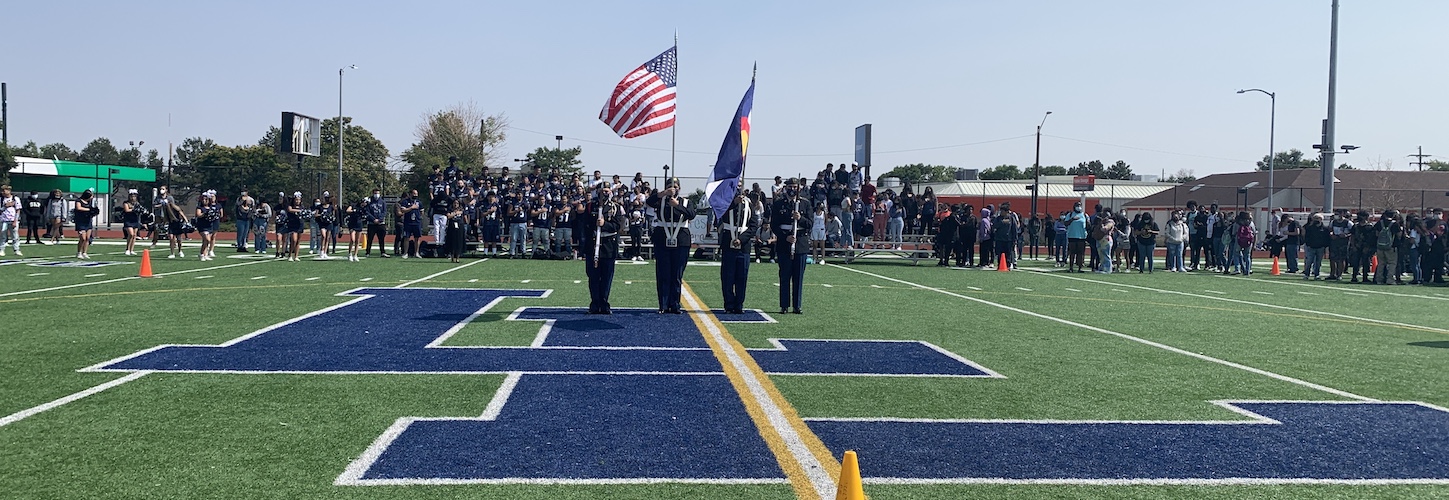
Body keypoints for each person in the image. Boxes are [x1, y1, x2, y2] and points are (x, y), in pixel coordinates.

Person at [648, 179, 695, 314]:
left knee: (676, 274)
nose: (673, 189)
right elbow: (649, 202)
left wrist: (677, 205)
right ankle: (663, 304)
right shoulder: (660, 200)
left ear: (679, 188)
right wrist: (662, 194)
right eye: (670, 186)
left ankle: (675, 304)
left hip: (681, 240)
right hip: (663, 239)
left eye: (675, 186)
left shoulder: (686, 202)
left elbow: (691, 214)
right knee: (663, 273)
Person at [584, 185, 626, 314]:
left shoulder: (616, 207)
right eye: (602, 191)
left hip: (608, 245)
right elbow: (585, 223)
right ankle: (594, 303)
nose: (605, 193)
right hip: (593, 245)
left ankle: (604, 303)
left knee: (607, 276)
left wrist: (604, 224)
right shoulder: (591, 206)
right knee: (593, 276)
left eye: (607, 191)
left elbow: (618, 225)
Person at [772, 178, 812, 314]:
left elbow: (810, 224)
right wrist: (785, 237)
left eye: (795, 187)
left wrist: (800, 218)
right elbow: (774, 225)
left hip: (800, 243)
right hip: (785, 243)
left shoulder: (805, 204)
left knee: (798, 276)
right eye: (790, 186)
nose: (792, 189)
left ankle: (797, 305)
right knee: (784, 275)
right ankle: (784, 305)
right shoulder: (778, 204)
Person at [718, 190, 758, 314]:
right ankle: (729, 304)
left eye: (740, 186)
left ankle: (739, 304)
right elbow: (719, 216)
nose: (739, 189)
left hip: (743, 245)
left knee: (742, 276)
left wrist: (741, 239)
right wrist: (734, 203)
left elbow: (753, 226)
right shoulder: (724, 202)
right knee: (727, 276)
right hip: (728, 242)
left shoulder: (748, 204)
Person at [1373, 210, 1404, 285]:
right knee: (1392, 263)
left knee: (1381, 263)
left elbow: (1376, 234)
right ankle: (1390, 279)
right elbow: (1399, 235)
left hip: (1380, 246)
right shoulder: (1394, 224)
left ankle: (1379, 279)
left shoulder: (1379, 223)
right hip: (1391, 246)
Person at [195, 190, 223, 261]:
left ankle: (205, 254)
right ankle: (201, 254)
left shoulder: (211, 207)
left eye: (206, 199)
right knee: (206, 239)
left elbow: (218, 215)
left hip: (209, 225)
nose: (204, 201)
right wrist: (205, 213)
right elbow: (198, 215)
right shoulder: (200, 207)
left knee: (207, 241)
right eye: (203, 199)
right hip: (202, 226)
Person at [1349, 210, 1376, 283]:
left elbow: (1371, 238)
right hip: (1357, 246)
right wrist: (1353, 245)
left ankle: (1365, 277)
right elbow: (1352, 236)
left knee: (1366, 262)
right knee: (1356, 262)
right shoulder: (1356, 226)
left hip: (1366, 247)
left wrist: (1368, 247)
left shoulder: (1370, 227)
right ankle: (1354, 277)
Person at [1302, 213, 1330, 280]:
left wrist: (1325, 246)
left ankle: (1316, 274)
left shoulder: (1325, 229)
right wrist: (1308, 244)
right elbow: (1306, 236)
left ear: (1321, 219)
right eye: (1315, 218)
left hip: (1320, 248)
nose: (1316, 220)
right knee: (1309, 261)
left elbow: (1327, 238)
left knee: (1318, 262)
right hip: (1311, 247)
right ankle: (1306, 274)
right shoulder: (1309, 228)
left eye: (1318, 218)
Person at [364, 189, 390, 258]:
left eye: (378, 193)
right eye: (375, 193)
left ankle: (382, 252)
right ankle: (368, 252)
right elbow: (367, 212)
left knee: (381, 239)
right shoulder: (369, 202)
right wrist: (373, 219)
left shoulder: (383, 202)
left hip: (381, 224)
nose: (376, 195)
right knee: (370, 239)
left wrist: (379, 219)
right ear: (373, 193)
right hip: (371, 224)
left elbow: (384, 212)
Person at [73, 189, 98, 260]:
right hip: (81, 222)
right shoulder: (78, 201)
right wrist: (89, 210)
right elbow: (78, 208)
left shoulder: (90, 202)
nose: (92, 197)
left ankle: (85, 252)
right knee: (82, 238)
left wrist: (94, 211)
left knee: (87, 238)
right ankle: (79, 252)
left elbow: (92, 209)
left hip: (88, 221)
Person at [1065, 202, 1090, 273]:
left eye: (1079, 206)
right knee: (1072, 253)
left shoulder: (1085, 215)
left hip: (1082, 237)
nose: (1078, 207)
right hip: (1072, 236)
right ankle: (1071, 267)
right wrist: (1072, 219)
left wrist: (1088, 223)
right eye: (1077, 206)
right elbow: (1066, 223)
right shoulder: (1070, 215)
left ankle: (1080, 267)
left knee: (1080, 253)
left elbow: (1088, 226)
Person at [399, 189, 424, 258]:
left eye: (416, 194)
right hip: (408, 222)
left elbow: (422, 211)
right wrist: (411, 208)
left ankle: (416, 253)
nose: (415, 195)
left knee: (417, 238)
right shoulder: (405, 202)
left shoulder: (419, 202)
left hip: (417, 222)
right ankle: (405, 253)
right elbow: (403, 210)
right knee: (406, 237)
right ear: (410, 194)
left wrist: (419, 217)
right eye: (414, 193)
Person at [1327, 209, 1351, 280]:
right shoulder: (1333, 222)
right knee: (1332, 259)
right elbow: (1330, 230)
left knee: (1341, 259)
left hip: (1343, 243)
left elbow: (1353, 232)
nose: (1336, 215)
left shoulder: (1348, 222)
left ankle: (1339, 274)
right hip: (1334, 242)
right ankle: (1332, 274)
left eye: (1337, 214)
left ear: (1342, 214)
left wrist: (1346, 235)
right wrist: (1331, 234)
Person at [120, 189, 142, 256]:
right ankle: (127, 249)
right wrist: (134, 209)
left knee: (134, 235)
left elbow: (140, 209)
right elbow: (127, 210)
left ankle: (131, 250)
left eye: (134, 196)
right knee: (131, 234)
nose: (133, 197)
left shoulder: (137, 203)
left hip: (135, 220)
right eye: (132, 196)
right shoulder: (126, 203)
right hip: (128, 220)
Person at [1233, 211, 1256, 276]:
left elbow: (1234, 232)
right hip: (1248, 241)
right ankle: (1248, 270)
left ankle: (1237, 268)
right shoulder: (1251, 223)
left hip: (1239, 240)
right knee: (1247, 255)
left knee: (1236, 254)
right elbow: (1254, 233)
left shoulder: (1237, 223)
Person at [316, 193, 336, 260]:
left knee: (327, 238)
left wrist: (330, 217)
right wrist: (322, 215)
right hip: (322, 223)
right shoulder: (319, 206)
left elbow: (333, 215)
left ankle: (325, 252)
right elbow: (316, 215)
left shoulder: (331, 207)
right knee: (323, 236)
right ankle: (321, 251)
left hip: (329, 223)